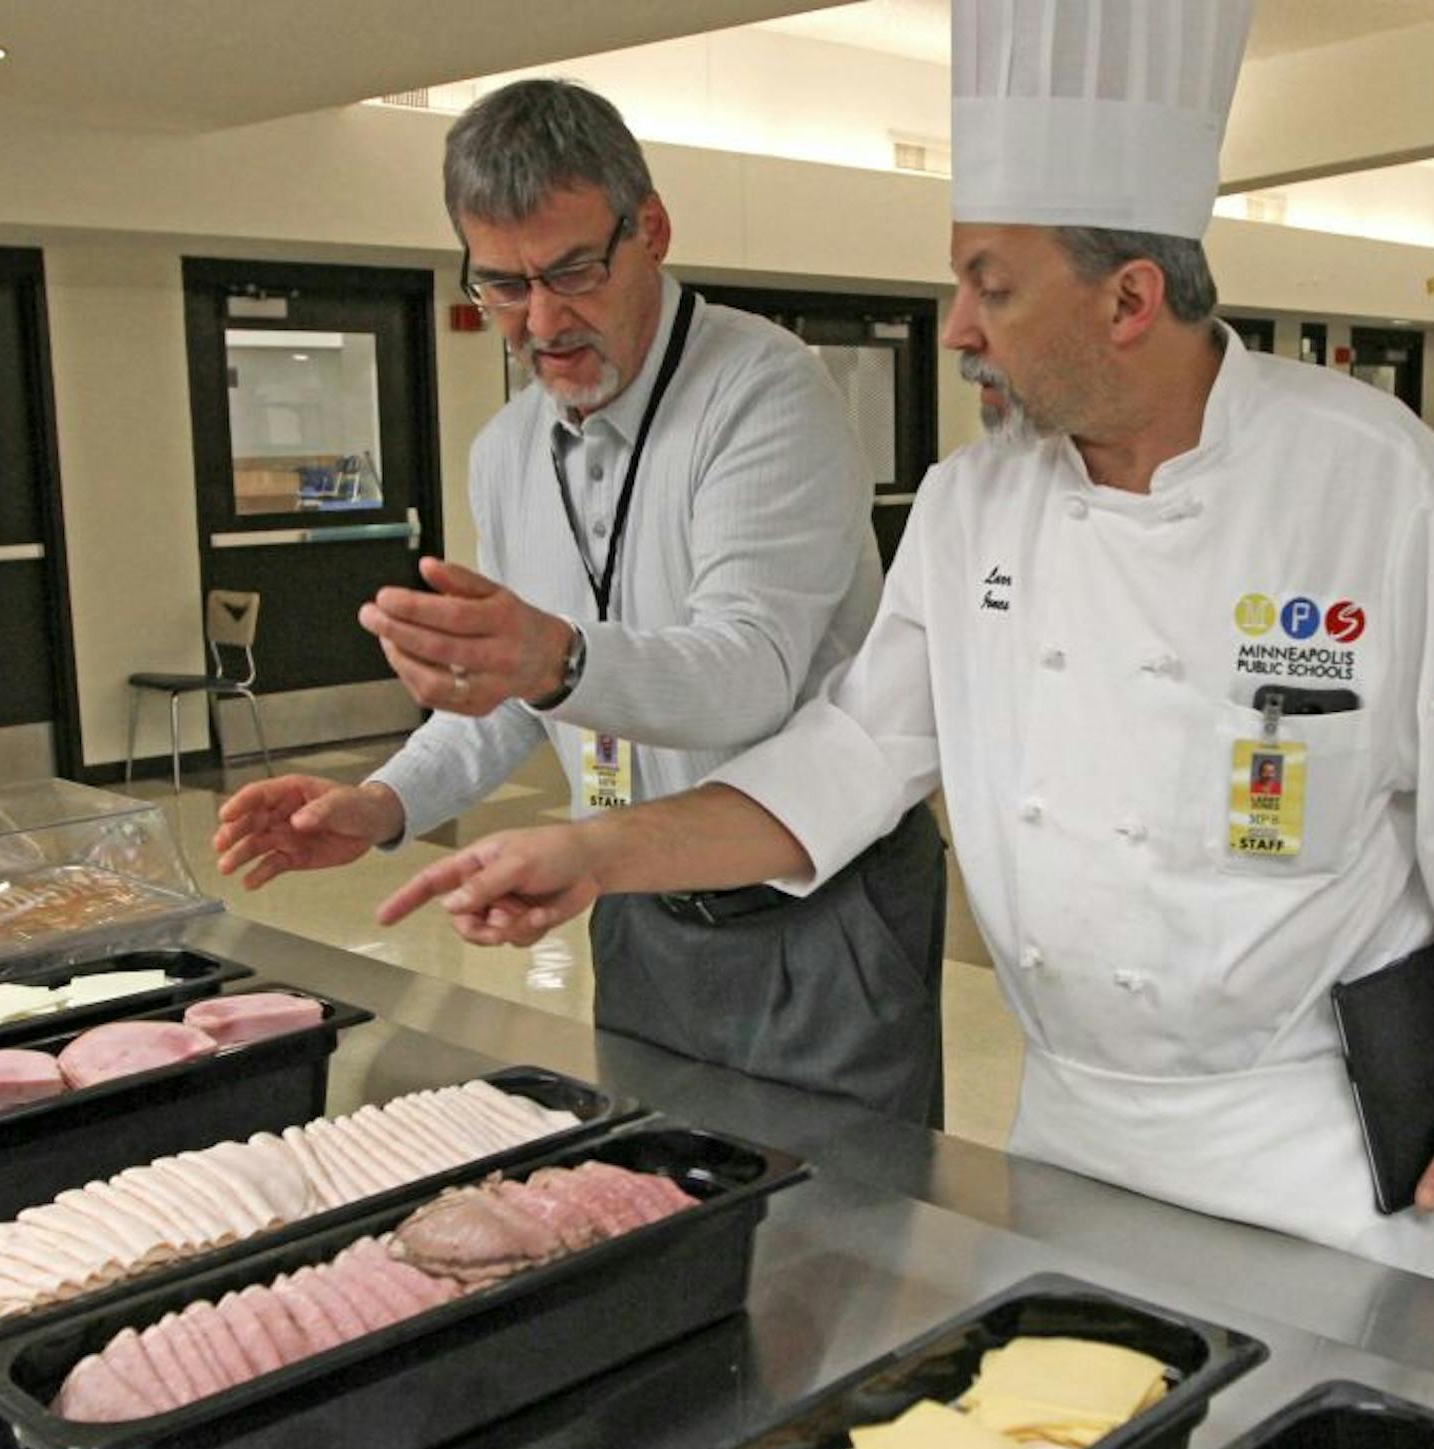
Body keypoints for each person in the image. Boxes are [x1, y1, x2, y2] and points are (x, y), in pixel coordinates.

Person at [373, 0, 1434, 1285]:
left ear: (1129, 298)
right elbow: (845, 759)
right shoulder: (972, 505)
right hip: (1071, 1129)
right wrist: (595, 850)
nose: (957, 329)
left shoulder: (1372, 480)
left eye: (992, 285)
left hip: (1316, 1139)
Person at [214, 78, 950, 1124]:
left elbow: (748, 673)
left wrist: (551, 658)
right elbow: (515, 696)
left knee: (847, 1225)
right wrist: (383, 803)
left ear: (649, 228)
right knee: (661, 1187)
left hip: (819, 907)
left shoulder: (764, 393)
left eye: (572, 271)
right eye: (504, 286)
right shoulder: (508, 450)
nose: (543, 322)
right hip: (631, 894)